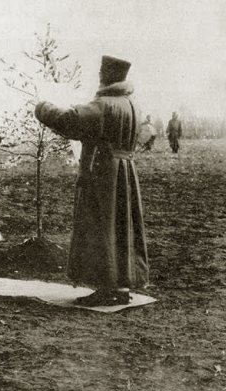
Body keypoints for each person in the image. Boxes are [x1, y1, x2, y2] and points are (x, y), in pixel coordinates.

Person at [35, 55, 149, 306]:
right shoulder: (132, 104)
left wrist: (43, 108)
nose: (99, 76)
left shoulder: (104, 104)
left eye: (101, 73)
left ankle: (106, 287)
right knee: (122, 229)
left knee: (101, 228)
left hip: (104, 173)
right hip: (125, 172)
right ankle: (121, 285)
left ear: (106, 75)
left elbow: (70, 121)